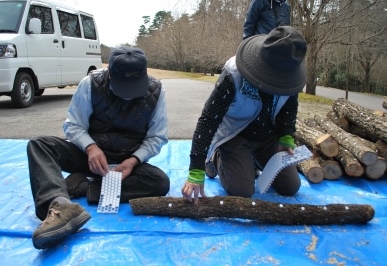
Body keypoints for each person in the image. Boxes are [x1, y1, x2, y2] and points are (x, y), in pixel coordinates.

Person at [27, 46, 170, 249]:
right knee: (39, 145)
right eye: (122, 86)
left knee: (160, 182)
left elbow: (157, 137)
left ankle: (82, 187)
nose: (128, 95)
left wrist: (134, 160)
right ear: (109, 73)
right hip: (90, 156)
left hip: (126, 163)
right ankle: (60, 205)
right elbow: (73, 125)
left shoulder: (157, 90)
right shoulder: (90, 84)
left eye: (134, 87)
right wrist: (90, 147)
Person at [181, 26, 307, 204]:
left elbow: (289, 107)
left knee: (290, 186)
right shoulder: (234, 74)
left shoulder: (290, 76)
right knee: (242, 191)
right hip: (235, 135)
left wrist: (286, 136)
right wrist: (196, 168)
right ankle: (216, 157)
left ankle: (251, 162)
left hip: (267, 137)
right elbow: (208, 119)